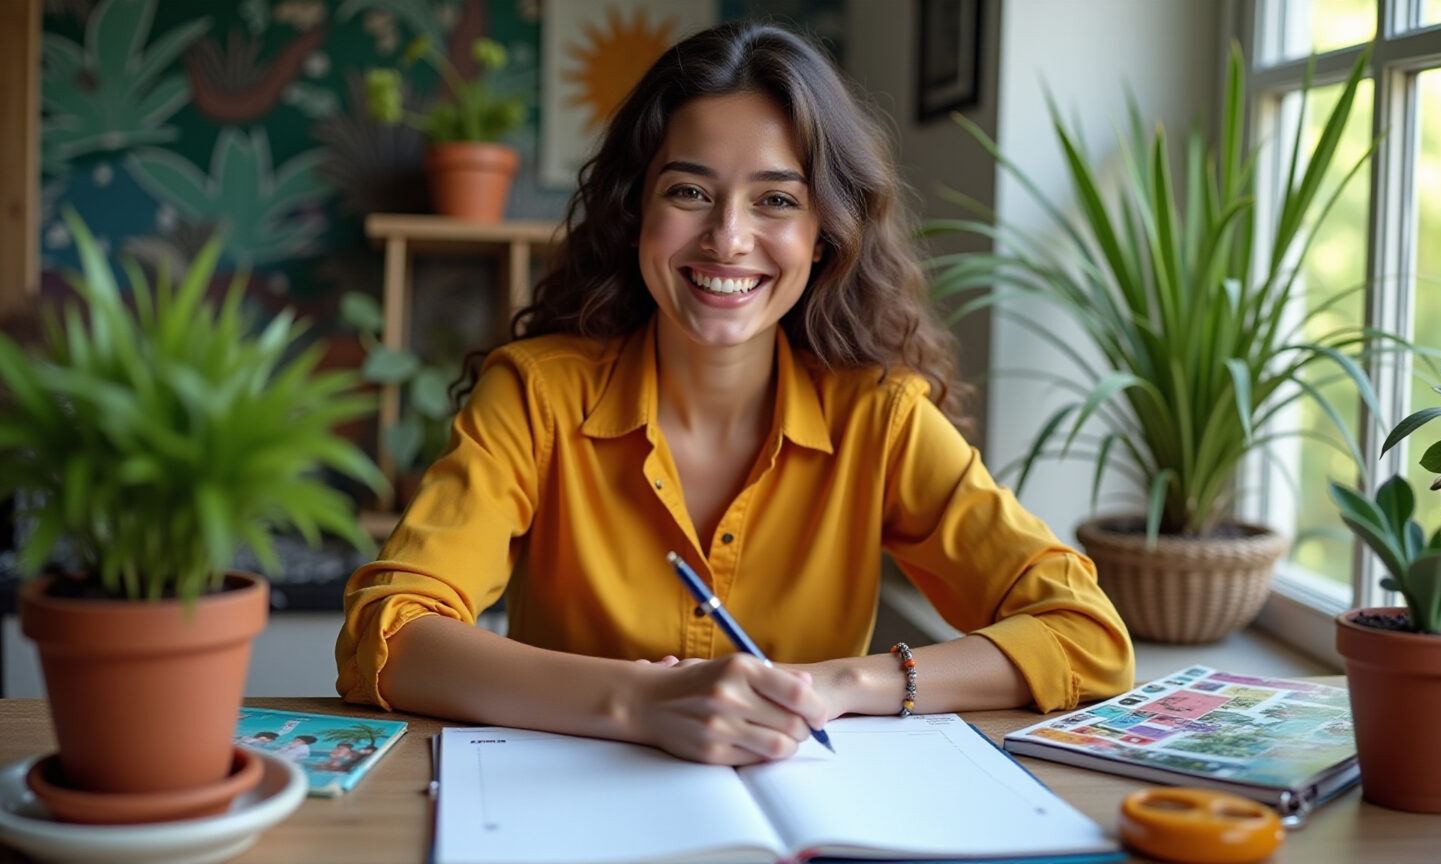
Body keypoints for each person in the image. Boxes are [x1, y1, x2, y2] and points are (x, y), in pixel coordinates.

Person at [336, 21, 1132, 767]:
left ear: (825, 233)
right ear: (635, 207)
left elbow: (1087, 634)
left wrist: (843, 685)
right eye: (689, 191)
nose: (728, 238)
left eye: (777, 200)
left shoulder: (880, 417)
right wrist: (638, 700)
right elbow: (388, 635)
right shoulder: (536, 394)